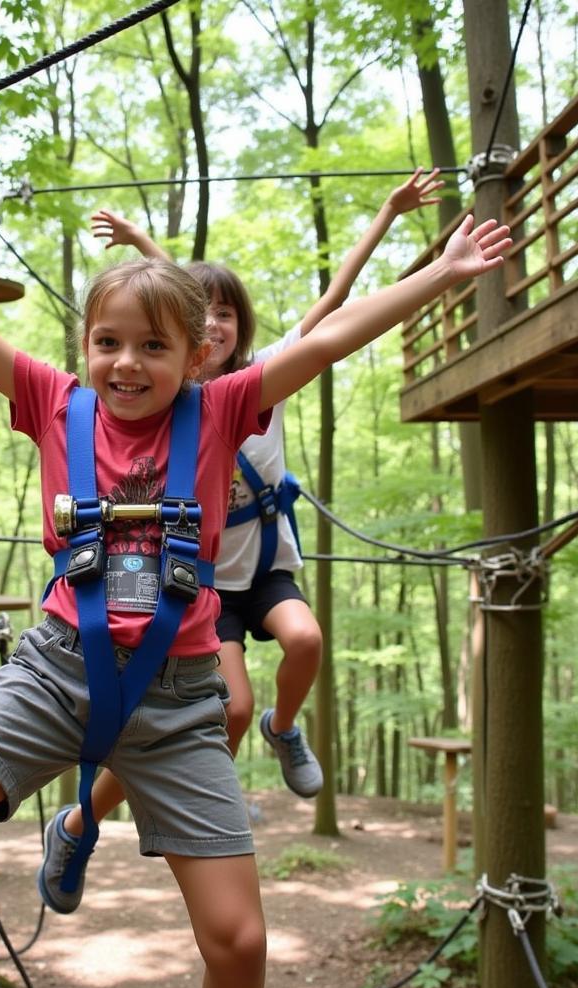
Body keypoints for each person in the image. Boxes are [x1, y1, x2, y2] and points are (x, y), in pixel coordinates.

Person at [0, 151, 508, 988]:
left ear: (195, 354)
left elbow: (326, 338)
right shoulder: (55, 404)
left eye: (153, 347)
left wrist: (440, 273)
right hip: (55, 672)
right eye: (108, 343)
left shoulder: (224, 409)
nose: (127, 364)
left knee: (239, 942)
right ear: (85, 344)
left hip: (178, 699)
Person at [38, 170, 444, 914]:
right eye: (207, 316)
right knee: (220, 709)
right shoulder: (169, 396)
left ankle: (282, 731)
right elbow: (164, 306)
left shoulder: (258, 384)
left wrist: (388, 217)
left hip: (261, 568)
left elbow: (336, 310)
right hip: (199, 590)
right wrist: (136, 245)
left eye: (226, 316)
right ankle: (115, 815)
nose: (216, 327)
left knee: (307, 641)